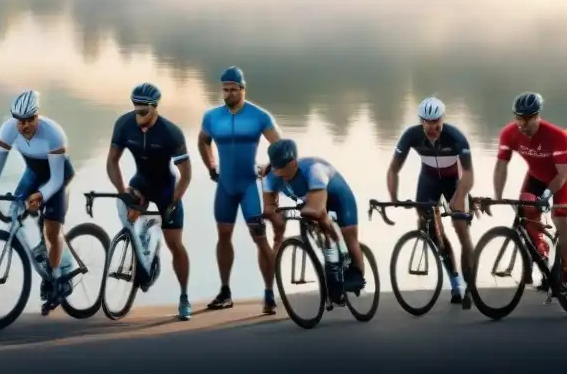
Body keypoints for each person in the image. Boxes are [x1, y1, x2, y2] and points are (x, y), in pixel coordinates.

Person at [197, 66, 282, 314]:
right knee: (223, 235)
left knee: (259, 237)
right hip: (225, 187)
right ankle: (225, 291)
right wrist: (211, 166)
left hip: (249, 186)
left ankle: (269, 292)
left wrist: (269, 165)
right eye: (225, 90)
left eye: (234, 89)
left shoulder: (259, 116)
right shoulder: (212, 117)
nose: (229, 94)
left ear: (243, 89)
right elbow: (203, 140)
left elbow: (280, 145)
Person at [106, 83, 193, 319]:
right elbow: (112, 162)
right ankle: (140, 246)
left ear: (155, 108)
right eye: (136, 110)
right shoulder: (124, 125)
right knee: (125, 208)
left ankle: (184, 297)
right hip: (140, 183)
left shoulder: (170, 132)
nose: (138, 116)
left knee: (175, 244)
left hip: (166, 189)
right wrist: (122, 190)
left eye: (143, 112)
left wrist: (174, 202)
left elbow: (186, 174)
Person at [0, 89, 75, 310]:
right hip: (34, 172)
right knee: (16, 208)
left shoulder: (53, 133)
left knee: (52, 229)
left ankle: (55, 279)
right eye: (19, 121)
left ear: (37, 116)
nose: (24, 125)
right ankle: (42, 248)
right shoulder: (8, 129)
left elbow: (55, 179)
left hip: (58, 176)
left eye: (29, 120)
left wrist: (41, 196)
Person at [386, 97, 475, 306]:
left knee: (462, 230)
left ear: (442, 118)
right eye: (427, 121)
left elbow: (469, 174)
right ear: (421, 120)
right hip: (428, 182)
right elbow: (393, 169)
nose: (432, 126)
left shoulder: (455, 137)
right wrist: (394, 198)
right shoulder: (411, 135)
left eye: (436, 121)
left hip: (455, 182)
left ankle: (470, 287)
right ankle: (455, 283)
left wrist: (459, 198)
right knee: (432, 232)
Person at [490, 92, 567, 291]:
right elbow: (501, 166)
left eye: (529, 119)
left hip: (561, 179)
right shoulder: (508, 133)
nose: (523, 124)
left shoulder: (557, 136)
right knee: (526, 214)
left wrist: (547, 196)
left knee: (561, 221)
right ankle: (544, 257)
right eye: (519, 118)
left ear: (538, 116)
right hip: (536, 177)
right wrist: (498, 196)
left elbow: (562, 174)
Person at [261, 139, 367, 293]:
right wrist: (275, 222)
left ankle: (357, 274)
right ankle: (331, 256)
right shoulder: (270, 177)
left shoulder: (314, 170)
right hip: (311, 198)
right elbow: (269, 208)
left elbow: (316, 209)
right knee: (315, 226)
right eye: (279, 172)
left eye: (286, 171)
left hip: (338, 197)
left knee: (349, 237)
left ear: (294, 163)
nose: (283, 176)